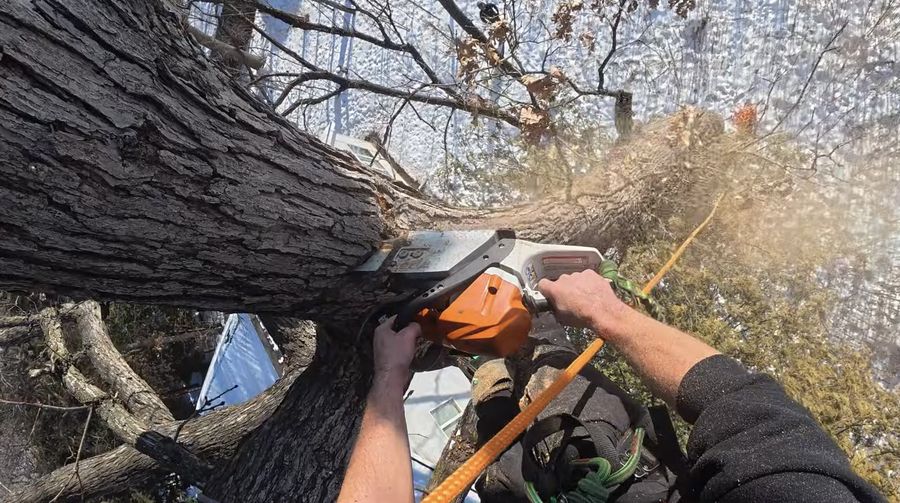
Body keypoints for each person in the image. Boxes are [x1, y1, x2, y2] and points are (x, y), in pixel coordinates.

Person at [337, 270, 885, 503]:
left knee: (503, 419)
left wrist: (390, 380)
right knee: (558, 385)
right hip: (617, 469)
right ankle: (511, 363)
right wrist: (608, 315)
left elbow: (753, 410)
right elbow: (751, 414)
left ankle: (494, 374)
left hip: (533, 483)